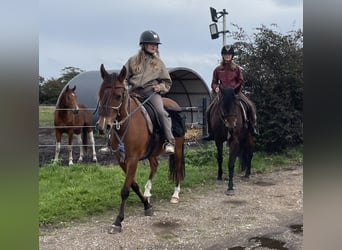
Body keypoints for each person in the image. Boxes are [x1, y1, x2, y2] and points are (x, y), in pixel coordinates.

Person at [99, 30, 175, 155]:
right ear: (143, 45)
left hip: (151, 93)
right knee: (116, 112)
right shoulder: (132, 60)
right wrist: (125, 86)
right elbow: (123, 78)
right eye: (151, 44)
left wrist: (160, 87)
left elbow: (167, 82)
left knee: (161, 112)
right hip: (133, 93)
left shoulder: (159, 63)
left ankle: (168, 141)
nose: (154, 46)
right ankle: (109, 143)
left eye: (156, 44)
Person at [202, 45, 259, 141]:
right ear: (222, 56)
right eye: (225, 54)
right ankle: (211, 132)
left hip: (235, 93)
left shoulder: (236, 69)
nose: (227, 56)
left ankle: (253, 127)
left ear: (232, 56)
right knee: (208, 110)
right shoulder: (218, 69)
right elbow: (214, 82)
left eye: (229, 55)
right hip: (223, 94)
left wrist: (234, 90)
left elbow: (241, 81)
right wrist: (216, 88)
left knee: (250, 105)